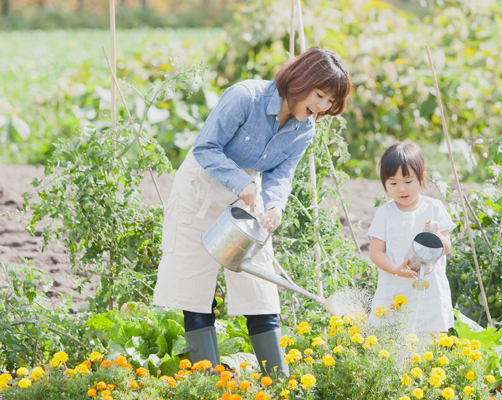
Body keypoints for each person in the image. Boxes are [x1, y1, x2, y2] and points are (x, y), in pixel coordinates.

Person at [153, 47, 352, 376]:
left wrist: (275, 204)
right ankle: (210, 387)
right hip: (201, 186)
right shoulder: (245, 97)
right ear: (299, 81)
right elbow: (206, 147)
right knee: (196, 290)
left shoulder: (305, 128)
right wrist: (241, 183)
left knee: (259, 287)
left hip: (248, 196)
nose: (322, 108)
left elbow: (281, 174)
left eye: (330, 102)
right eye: (319, 95)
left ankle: (279, 384)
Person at [366, 141, 456, 341]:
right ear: (384, 183)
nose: (401, 189)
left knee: (426, 344)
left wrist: (435, 234)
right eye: (393, 183)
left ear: (421, 178)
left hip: (428, 291)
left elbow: (447, 247)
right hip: (394, 286)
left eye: (408, 181)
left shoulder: (434, 208)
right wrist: (396, 269)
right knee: (390, 342)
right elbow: (376, 252)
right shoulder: (386, 212)